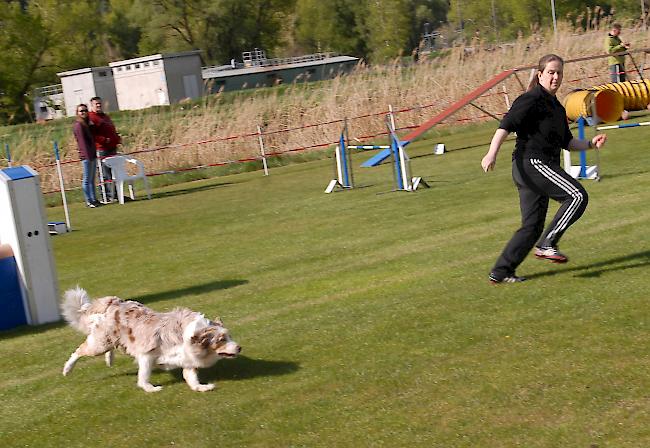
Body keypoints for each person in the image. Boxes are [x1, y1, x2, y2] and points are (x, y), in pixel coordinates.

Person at [480, 54, 607, 284]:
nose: (555, 77)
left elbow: (567, 143)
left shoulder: (557, 108)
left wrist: (590, 143)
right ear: (540, 75)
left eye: (559, 72)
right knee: (577, 196)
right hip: (532, 164)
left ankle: (501, 272)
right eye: (551, 72)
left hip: (534, 169)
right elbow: (505, 125)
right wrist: (491, 153)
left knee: (531, 226)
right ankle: (548, 243)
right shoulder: (530, 99)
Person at [88, 96, 121, 201]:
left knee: (115, 173)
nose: (98, 105)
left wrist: (116, 138)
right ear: (92, 105)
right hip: (102, 149)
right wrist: (105, 140)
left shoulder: (105, 117)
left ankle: (116, 194)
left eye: (99, 103)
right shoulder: (91, 118)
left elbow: (111, 129)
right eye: (96, 104)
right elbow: (93, 135)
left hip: (112, 147)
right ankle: (106, 196)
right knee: (105, 173)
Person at [72, 104, 99, 208]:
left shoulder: (86, 124)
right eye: (81, 111)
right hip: (86, 156)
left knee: (92, 179)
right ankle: (89, 201)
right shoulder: (78, 125)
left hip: (92, 154)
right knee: (87, 179)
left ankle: (94, 199)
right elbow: (82, 142)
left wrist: (91, 125)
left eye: (85, 110)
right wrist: (88, 156)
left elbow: (93, 135)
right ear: (77, 113)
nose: (83, 112)